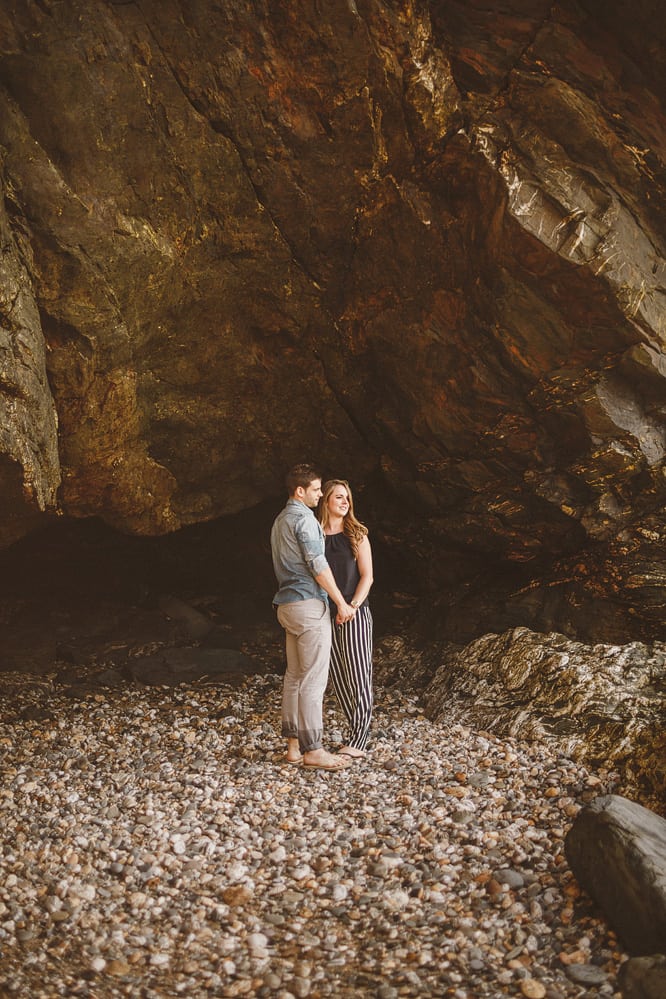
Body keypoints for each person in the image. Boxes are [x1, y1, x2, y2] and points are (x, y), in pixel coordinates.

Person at [270, 464, 356, 770]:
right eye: (317, 490)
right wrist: (340, 602)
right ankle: (313, 750)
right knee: (313, 680)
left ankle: (293, 747)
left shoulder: (280, 520)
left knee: (294, 676)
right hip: (309, 606)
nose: (321, 495)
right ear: (300, 491)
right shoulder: (304, 520)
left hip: (286, 606)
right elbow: (318, 565)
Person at [318, 478, 374, 759]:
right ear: (325, 500)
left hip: (354, 612)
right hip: (324, 614)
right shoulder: (315, 534)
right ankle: (354, 731)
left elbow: (368, 576)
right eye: (339, 497)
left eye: (347, 498)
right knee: (338, 677)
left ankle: (361, 738)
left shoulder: (357, 533)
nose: (344, 502)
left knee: (358, 674)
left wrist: (351, 605)